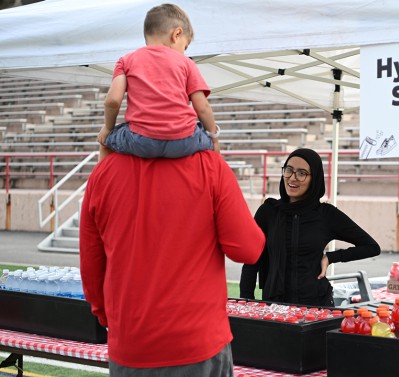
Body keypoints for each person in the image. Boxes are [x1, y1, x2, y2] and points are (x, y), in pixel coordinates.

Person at [79, 150, 265, 376]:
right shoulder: (211, 166)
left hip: (132, 341)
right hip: (198, 340)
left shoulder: (104, 171)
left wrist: (113, 320)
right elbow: (249, 248)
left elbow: (91, 271)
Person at [239, 148, 381, 306]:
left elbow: (371, 247)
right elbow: (251, 261)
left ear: (314, 179)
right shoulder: (268, 212)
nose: (292, 178)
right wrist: (246, 302)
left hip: (316, 306)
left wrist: (331, 257)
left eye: (301, 173)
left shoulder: (326, 214)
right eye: (289, 170)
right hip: (274, 307)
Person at [97, 3, 220, 162]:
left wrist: (107, 128)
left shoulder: (125, 61)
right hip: (183, 141)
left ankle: (100, 180)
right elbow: (203, 107)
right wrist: (214, 138)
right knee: (208, 138)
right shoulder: (187, 63)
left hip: (141, 141)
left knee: (105, 140)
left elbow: (112, 101)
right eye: (185, 46)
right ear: (177, 34)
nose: (184, 51)